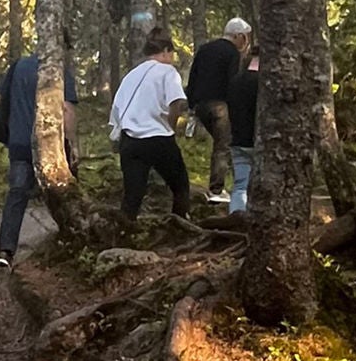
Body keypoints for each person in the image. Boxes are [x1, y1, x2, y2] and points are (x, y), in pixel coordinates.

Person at [0, 41, 78, 270]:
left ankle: (6, 251)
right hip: (49, 144)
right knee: (60, 191)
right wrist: (71, 144)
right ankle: (69, 243)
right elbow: (67, 110)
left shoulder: (18, 66)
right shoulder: (58, 70)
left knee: (17, 193)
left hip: (19, 141)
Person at [109, 27, 191, 219]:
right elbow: (176, 102)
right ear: (166, 51)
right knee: (180, 185)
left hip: (129, 140)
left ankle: (124, 236)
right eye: (172, 53)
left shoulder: (131, 75)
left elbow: (116, 110)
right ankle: (178, 227)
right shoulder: (167, 72)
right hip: (158, 137)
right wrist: (172, 126)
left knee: (132, 196)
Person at [186, 18, 252, 204]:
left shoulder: (205, 49)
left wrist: (192, 105)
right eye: (245, 37)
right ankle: (217, 189)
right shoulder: (232, 53)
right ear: (238, 36)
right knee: (223, 145)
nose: (246, 41)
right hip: (220, 105)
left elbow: (193, 75)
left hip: (200, 105)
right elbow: (233, 82)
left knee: (221, 143)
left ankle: (230, 183)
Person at [226, 48, 261, 215]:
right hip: (261, 142)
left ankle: (236, 219)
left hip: (238, 139)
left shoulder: (235, 81)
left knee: (240, 186)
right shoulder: (266, 84)